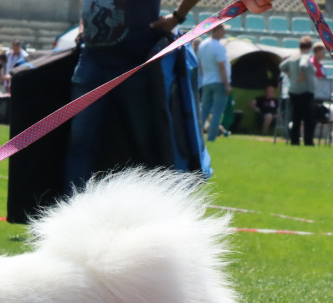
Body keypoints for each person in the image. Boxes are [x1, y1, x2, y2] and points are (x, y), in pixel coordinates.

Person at [63, 0, 273, 190]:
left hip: (135, 63)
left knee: (143, 146)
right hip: (91, 60)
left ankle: (145, 217)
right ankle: (70, 216)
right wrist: (83, 25)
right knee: (80, 143)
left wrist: (177, 16)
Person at [280, 36, 317, 145]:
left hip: (293, 91)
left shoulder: (293, 57)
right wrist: (301, 74)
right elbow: (303, 64)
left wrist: (290, 74)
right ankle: (308, 141)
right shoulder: (305, 56)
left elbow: (282, 66)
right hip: (305, 92)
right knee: (309, 119)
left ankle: (294, 140)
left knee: (296, 118)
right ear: (309, 47)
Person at [197, 24, 231, 142]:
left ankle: (196, 135)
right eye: (223, 29)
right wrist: (226, 84)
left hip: (207, 81)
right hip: (219, 82)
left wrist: (204, 77)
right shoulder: (218, 47)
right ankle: (211, 137)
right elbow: (221, 66)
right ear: (217, 30)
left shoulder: (203, 45)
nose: (225, 32)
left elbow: (200, 64)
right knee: (217, 111)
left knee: (204, 110)